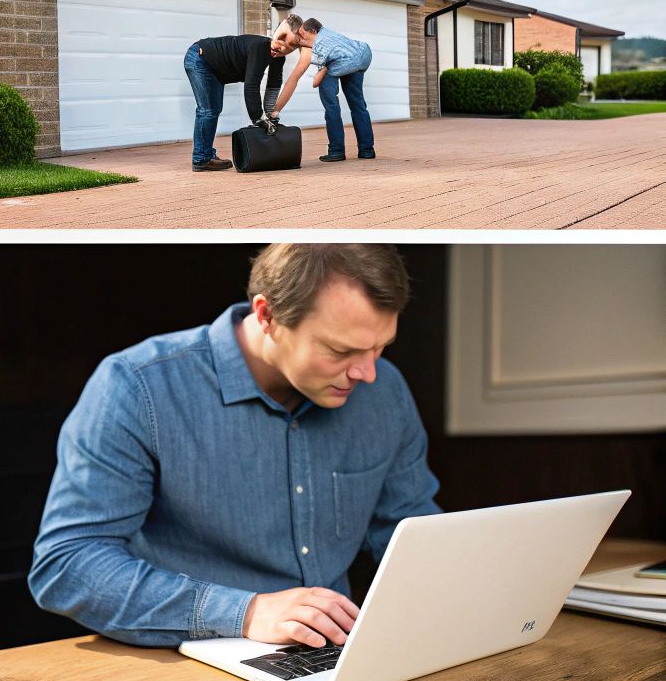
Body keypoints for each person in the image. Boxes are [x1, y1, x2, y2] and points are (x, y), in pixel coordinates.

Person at [28, 243, 440, 648]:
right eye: (340, 350)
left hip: (331, 656)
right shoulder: (138, 387)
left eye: (379, 347)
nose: (367, 373)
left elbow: (413, 535)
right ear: (267, 316)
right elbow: (67, 565)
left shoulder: (385, 392)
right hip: (185, 662)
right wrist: (245, 612)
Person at [180, 21, 295, 172]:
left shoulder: (278, 57)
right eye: (280, 41)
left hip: (216, 69)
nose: (281, 48)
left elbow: (273, 85)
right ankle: (201, 159)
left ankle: (205, 155)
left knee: (213, 110)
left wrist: (270, 115)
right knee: (208, 110)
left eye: (288, 47)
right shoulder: (261, 47)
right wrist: (258, 119)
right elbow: (251, 85)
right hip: (201, 58)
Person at [275, 18, 375, 163]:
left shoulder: (318, 44)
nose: (302, 36)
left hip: (335, 64)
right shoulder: (326, 34)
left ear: (313, 31)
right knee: (358, 105)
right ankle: (367, 150)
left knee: (331, 106)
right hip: (359, 55)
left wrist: (322, 72)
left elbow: (314, 81)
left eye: (303, 34)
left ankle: (336, 151)